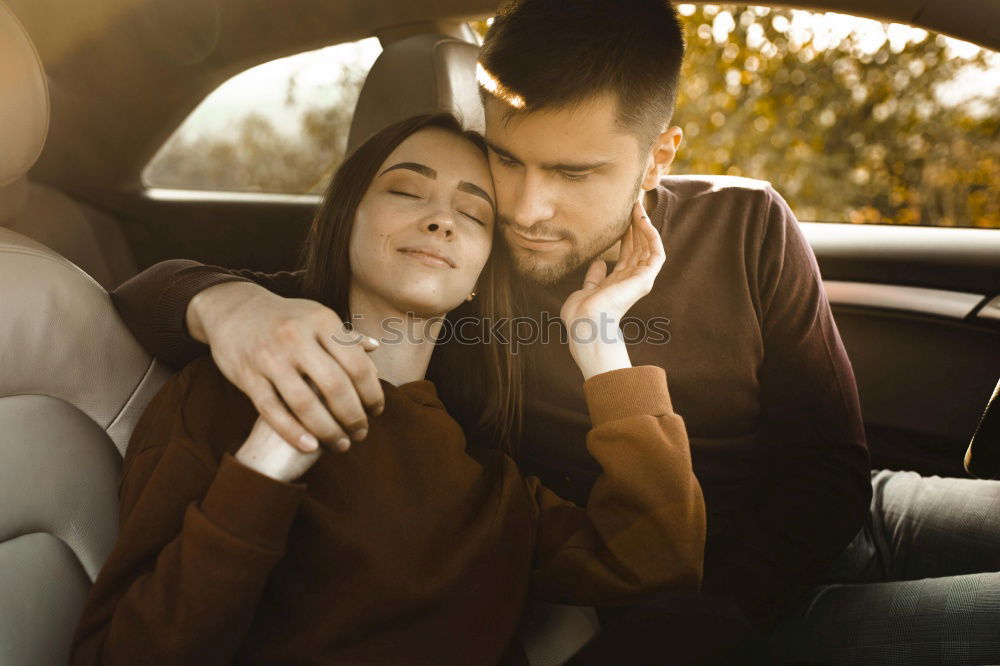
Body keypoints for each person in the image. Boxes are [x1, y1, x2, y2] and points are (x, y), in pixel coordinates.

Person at [70, 113, 705, 665]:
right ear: (344, 220)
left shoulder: (490, 485)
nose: (441, 222)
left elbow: (661, 559)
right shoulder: (226, 395)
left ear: (481, 276)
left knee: (702, 632)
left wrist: (599, 338)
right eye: (407, 190)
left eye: (474, 213)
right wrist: (266, 462)